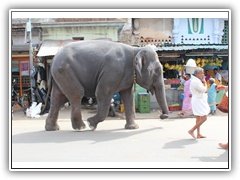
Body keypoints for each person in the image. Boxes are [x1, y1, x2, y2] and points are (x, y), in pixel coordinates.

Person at [188, 67, 210, 139]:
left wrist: (203, 81)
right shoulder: (196, 81)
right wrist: (205, 82)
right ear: (197, 74)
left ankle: (198, 134)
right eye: (202, 73)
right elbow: (204, 90)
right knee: (204, 118)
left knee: (198, 118)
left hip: (198, 100)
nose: (203, 74)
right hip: (198, 101)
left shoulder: (196, 80)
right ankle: (191, 130)